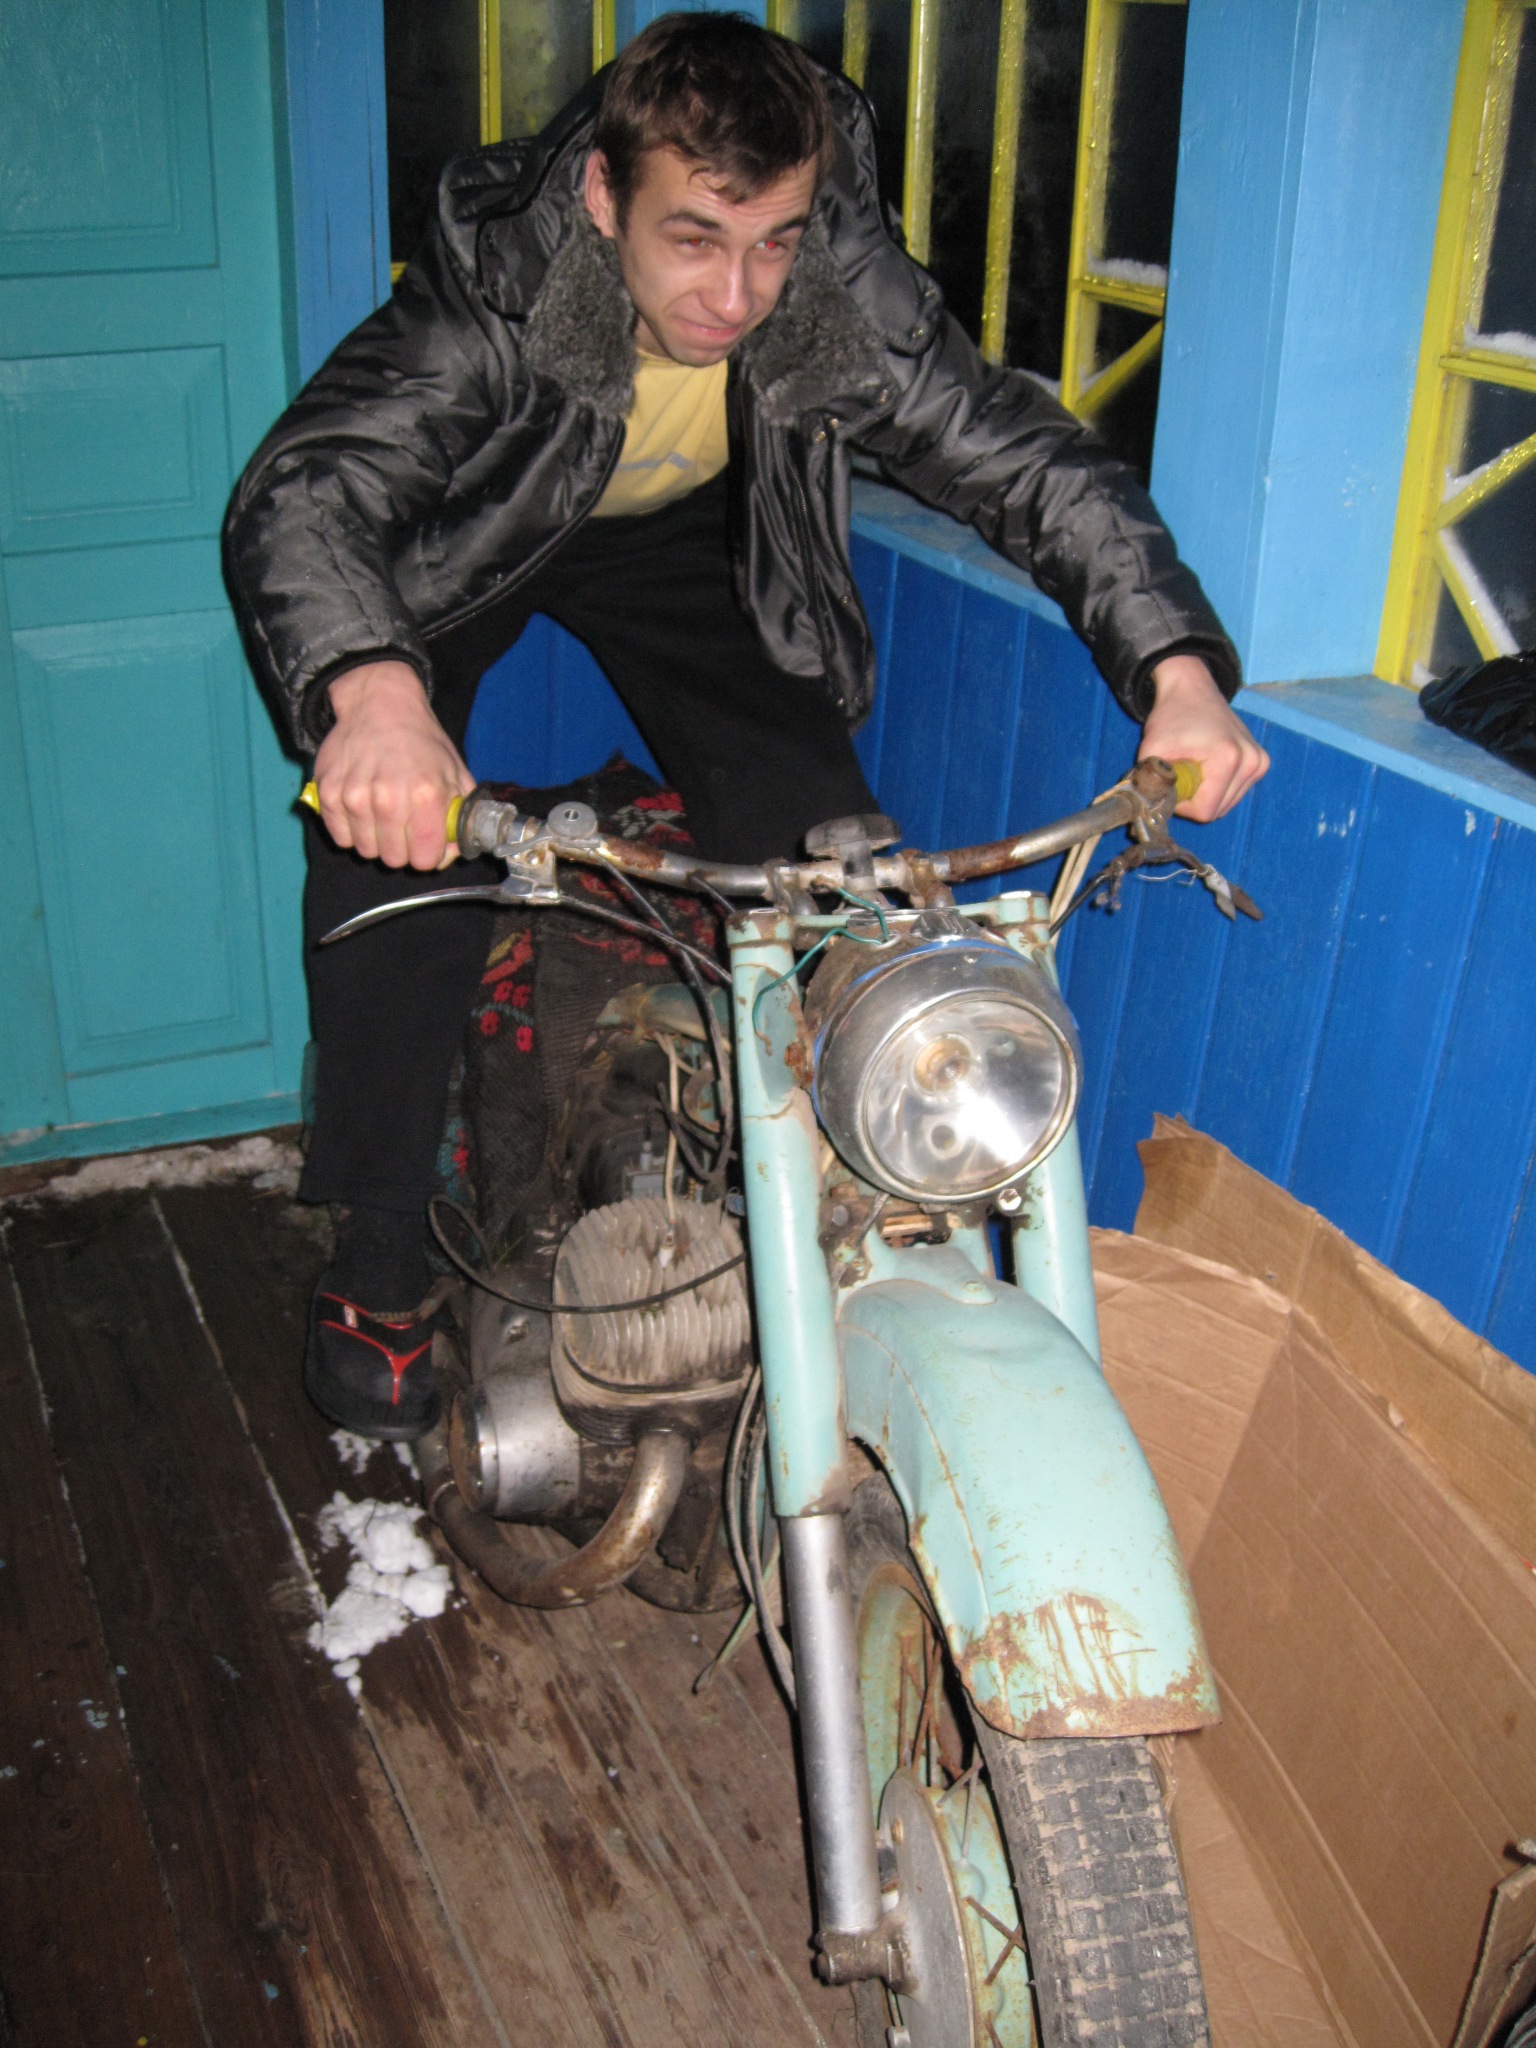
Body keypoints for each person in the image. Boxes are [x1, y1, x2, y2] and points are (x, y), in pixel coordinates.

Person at [224, 12, 1268, 1441]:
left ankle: (837, 1213)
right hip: (473, 538)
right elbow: (308, 488)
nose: (736, 295)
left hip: (680, 540)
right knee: (397, 851)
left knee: (825, 858)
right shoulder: (508, 288)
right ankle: (381, 1247)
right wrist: (372, 694)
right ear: (604, 198)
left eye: (773, 242)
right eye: (695, 239)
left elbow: (1021, 458)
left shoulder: (822, 282)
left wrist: (1177, 669)